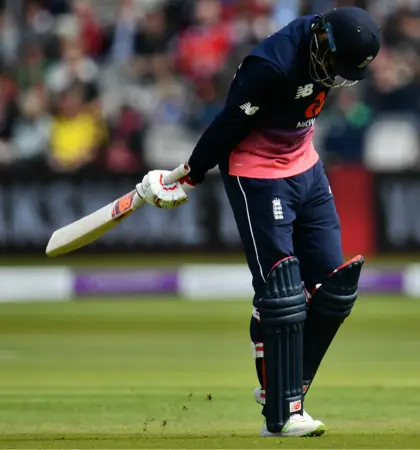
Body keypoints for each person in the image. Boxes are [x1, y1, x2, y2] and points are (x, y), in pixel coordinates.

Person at [135, 6, 381, 438]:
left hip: (306, 166)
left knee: (333, 289)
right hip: (258, 175)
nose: (337, 77)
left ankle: (282, 385)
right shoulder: (271, 66)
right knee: (282, 291)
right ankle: (283, 413)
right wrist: (191, 174)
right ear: (324, 39)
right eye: (338, 64)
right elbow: (229, 122)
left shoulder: (330, 47)